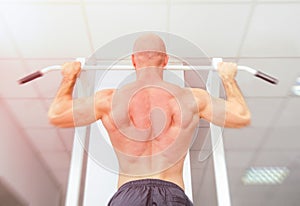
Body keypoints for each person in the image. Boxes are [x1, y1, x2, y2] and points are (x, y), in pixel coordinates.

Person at [48, 33, 251, 206]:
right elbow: (240, 115)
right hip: (173, 195)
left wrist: (69, 77)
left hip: (129, 196)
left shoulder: (109, 100)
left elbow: (58, 114)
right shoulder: (191, 99)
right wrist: (228, 77)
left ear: (134, 60)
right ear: (165, 61)